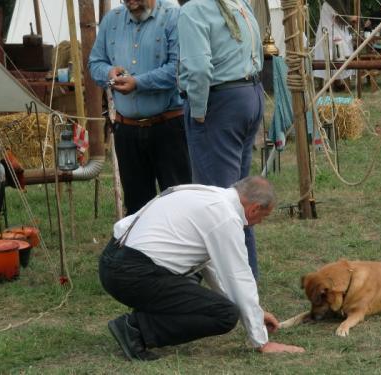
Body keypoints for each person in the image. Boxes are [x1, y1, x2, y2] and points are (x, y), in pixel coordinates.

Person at [98, 176, 305, 360]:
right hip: (132, 273)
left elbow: (214, 270)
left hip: (113, 261)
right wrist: (262, 342)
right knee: (224, 314)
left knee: (200, 285)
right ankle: (136, 330)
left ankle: (142, 322)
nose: (259, 222)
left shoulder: (207, 195)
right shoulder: (226, 218)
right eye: (264, 217)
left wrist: (256, 315)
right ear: (254, 209)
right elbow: (238, 279)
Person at [176, 0, 264, 279]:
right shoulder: (237, 2)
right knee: (237, 194)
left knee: (218, 201)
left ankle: (234, 279)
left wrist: (199, 111)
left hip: (221, 102)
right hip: (249, 94)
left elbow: (199, 69)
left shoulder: (193, 10)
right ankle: (245, 271)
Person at [88, 0, 191, 215]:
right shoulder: (111, 21)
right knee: (136, 209)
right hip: (127, 129)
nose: (129, 1)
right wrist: (109, 72)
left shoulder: (175, 16)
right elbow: (95, 62)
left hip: (169, 127)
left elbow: (178, 68)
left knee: (179, 205)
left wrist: (138, 83)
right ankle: (142, 249)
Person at [313, 1, 354, 90]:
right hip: (330, 34)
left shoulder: (331, 4)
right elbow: (338, 18)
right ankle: (331, 87)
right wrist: (351, 19)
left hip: (333, 33)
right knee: (338, 58)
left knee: (335, 59)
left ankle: (335, 85)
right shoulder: (330, 4)